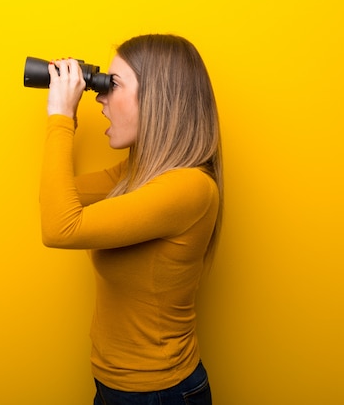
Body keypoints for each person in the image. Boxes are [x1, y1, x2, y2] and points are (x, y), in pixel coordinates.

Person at [39, 34, 222, 405]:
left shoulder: (189, 188)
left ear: (159, 99)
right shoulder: (138, 174)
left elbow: (60, 226)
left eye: (112, 85)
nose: (100, 98)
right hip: (114, 386)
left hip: (160, 394)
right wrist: (68, 110)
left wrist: (59, 118)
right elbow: (59, 196)